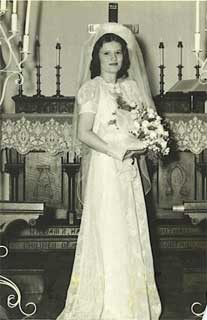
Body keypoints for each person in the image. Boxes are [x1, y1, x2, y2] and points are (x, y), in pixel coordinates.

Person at [57, 23, 162, 320]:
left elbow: (145, 125)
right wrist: (116, 150)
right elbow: (84, 133)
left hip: (127, 167)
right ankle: (107, 303)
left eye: (118, 53)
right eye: (107, 53)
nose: (113, 58)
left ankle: (132, 302)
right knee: (109, 228)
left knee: (131, 228)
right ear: (97, 57)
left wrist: (144, 143)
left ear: (125, 57)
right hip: (106, 167)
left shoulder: (131, 88)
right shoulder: (91, 89)